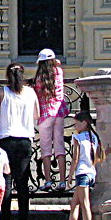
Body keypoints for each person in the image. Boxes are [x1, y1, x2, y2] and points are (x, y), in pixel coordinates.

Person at [0, 63, 40, 220]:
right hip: (25, 139)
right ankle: (24, 219)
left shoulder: (3, 92)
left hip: (6, 139)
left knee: (7, 181)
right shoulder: (30, 92)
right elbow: (37, 114)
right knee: (23, 180)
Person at [57, 111, 104, 220]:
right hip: (91, 172)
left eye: (76, 123)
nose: (75, 126)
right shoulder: (94, 137)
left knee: (84, 204)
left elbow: (75, 159)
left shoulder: (78, 138)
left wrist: (70, 175)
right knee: (75, 204)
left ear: (84, 123)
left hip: (82, 173)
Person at [32, 49, 66, 192]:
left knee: (45, 147)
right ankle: (63, 181)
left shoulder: (39, 77)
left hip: (45, 114)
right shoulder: (59, 72)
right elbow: (57, 64)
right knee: (59, 146)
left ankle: (47, 181)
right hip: (58, 112)